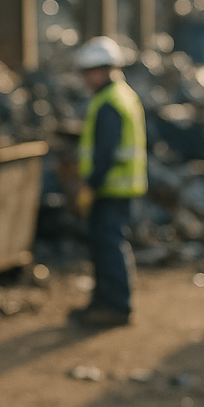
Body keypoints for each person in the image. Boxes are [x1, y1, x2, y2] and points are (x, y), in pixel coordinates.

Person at [70, 35, 147, 326]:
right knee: (105, 245)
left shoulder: (109, 102)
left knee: (108, 245)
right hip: (119, 187)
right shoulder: (121, 95)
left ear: (102, 70)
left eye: (88, 72)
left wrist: (90, 184)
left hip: (111, 188)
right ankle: (103, 302)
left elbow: (105, 151)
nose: (85, 79)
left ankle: (115, 305)